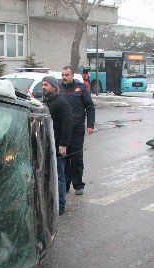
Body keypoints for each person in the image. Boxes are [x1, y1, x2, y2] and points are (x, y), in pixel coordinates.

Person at [60, 65, 95, 195]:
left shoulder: (81, 88)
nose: (64, 77)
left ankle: (78, 185)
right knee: (63, 158)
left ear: (72, 76)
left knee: (76, 158)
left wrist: (90, 124)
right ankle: (65, 185)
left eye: (67, 75)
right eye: (63, 75)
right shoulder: (58, 88)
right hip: (62, 130)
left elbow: (90, 107)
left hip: (76, 129)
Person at [41, 76, 73, 216]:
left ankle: (60, 205)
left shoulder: (61, 103)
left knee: (59, 175)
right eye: (42, 84)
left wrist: (63, 144)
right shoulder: (45, 103)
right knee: (48, 175)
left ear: (54, 87)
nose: (43, 87)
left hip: (58, 145)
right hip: (46, 145)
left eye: (46, 84)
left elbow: (67, 124)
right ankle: (50, 203)